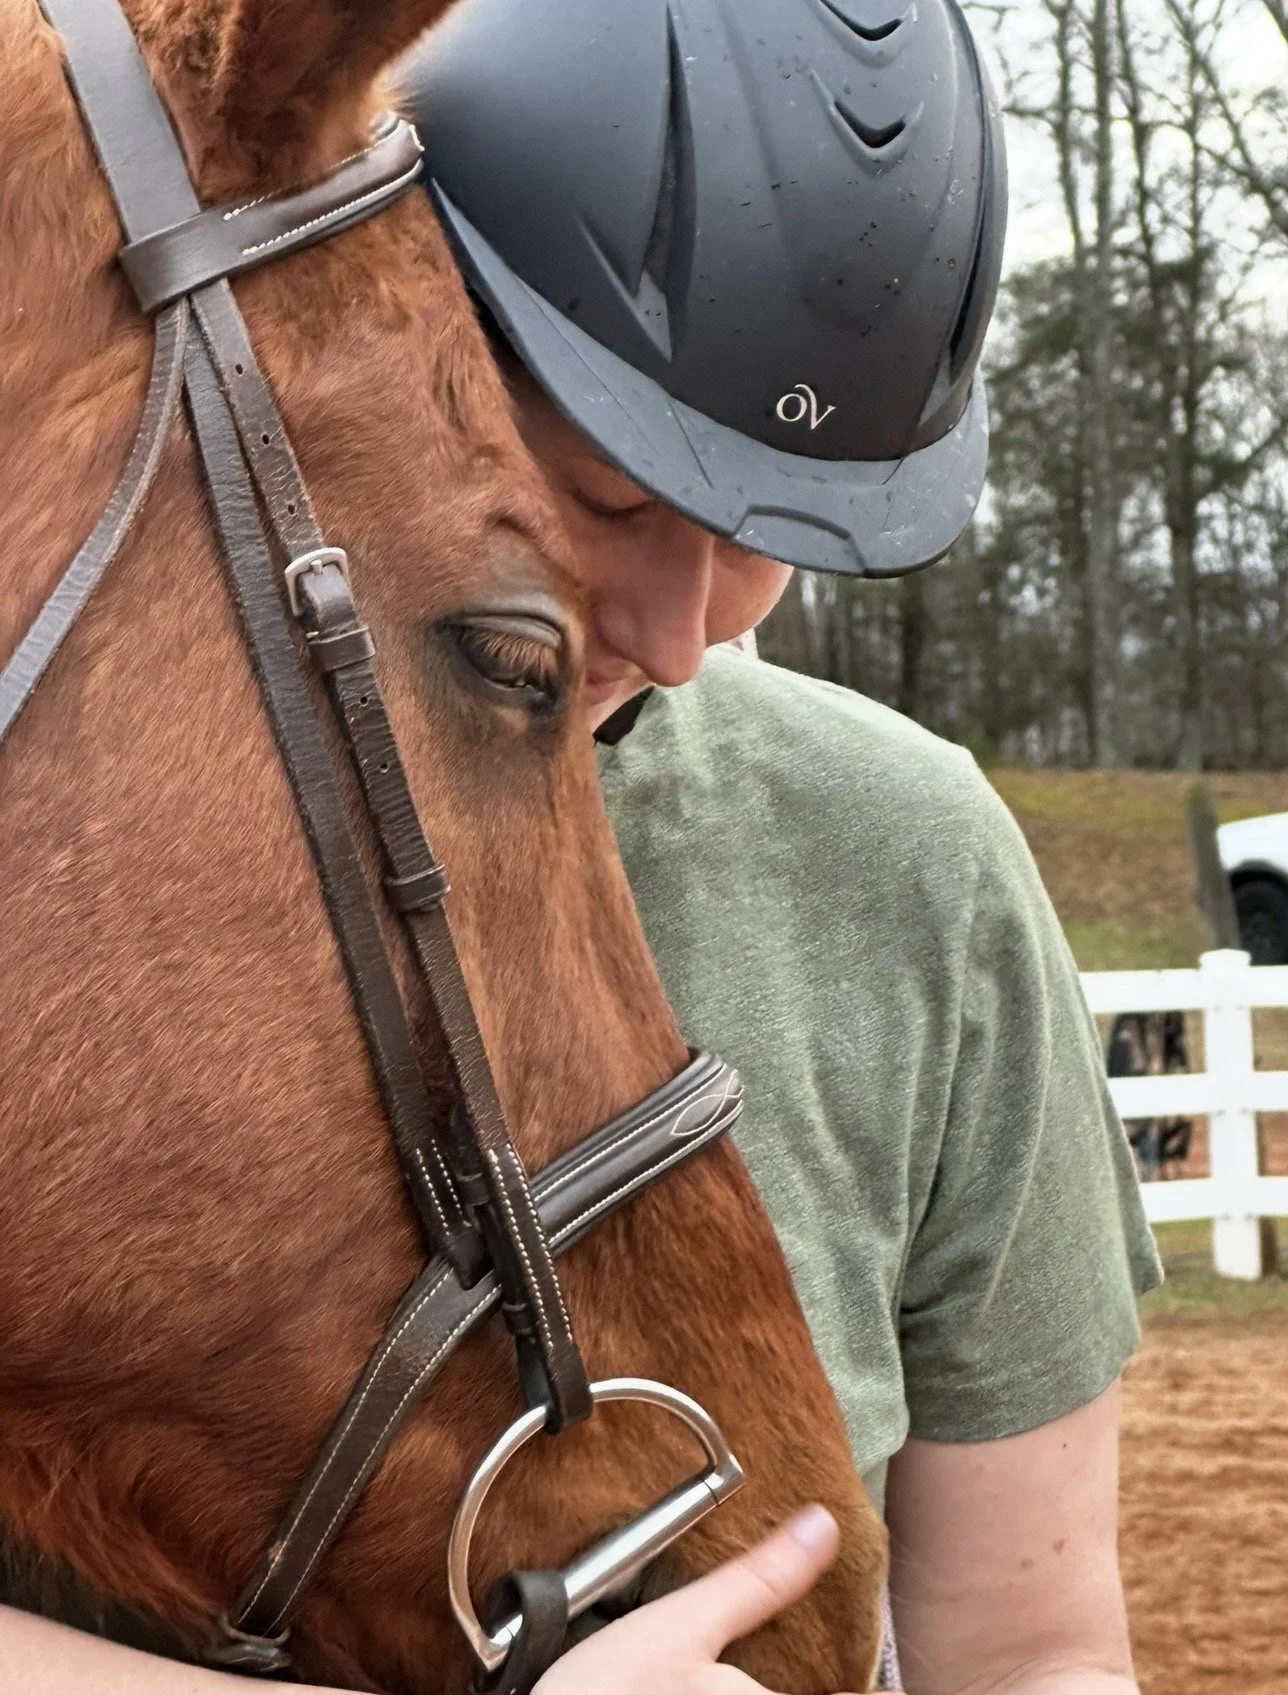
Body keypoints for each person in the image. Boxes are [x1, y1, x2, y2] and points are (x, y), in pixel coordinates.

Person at [0, 2, 1160, 1692]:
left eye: (770, 532)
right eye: (609, 490)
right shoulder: (62, 832)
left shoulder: (918, 865)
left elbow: (1038, 1645)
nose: (683, 638)